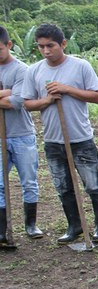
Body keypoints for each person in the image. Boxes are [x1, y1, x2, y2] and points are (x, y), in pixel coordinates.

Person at [21, 23, 98, 244]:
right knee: (63, 187)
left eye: (50, 45)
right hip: (53, 140)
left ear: (63, 44)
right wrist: (48, 100)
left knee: (92, 184)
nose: (46, 51)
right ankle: (75, 225)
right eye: (41, 47)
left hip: (80, 138)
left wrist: (67, 89)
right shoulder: (34, 71)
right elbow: (28, 104)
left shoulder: (80, 66)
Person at [0, 25, 43, 243]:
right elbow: (12, 96)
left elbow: (18, 101)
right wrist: (7, 92)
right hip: (0, 136)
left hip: (22, 134)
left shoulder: (21, 70)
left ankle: (31, 225)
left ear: (9, 45)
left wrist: (11, 95)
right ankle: (3, 229)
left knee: (29, 181)